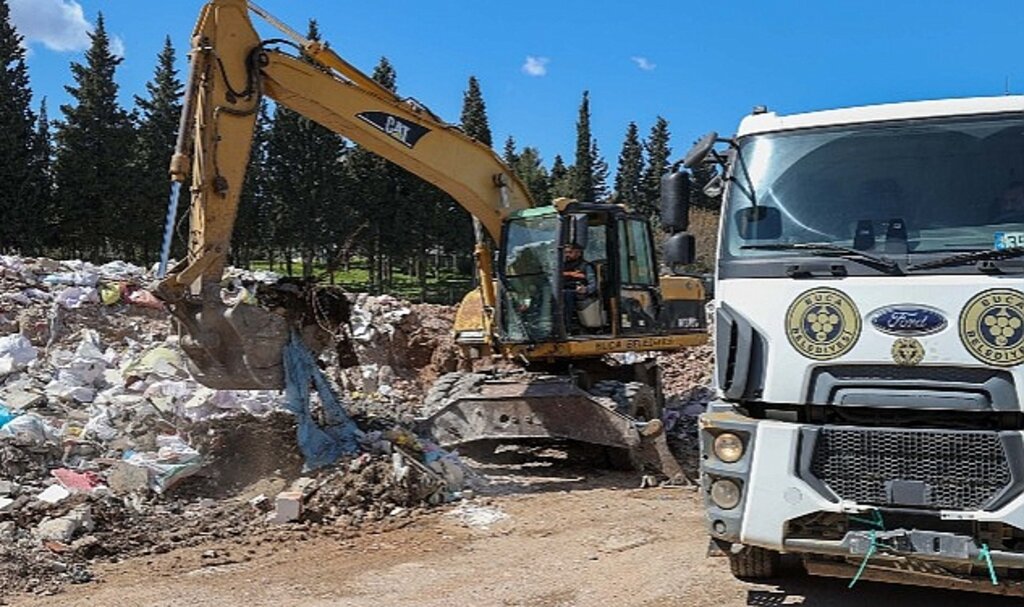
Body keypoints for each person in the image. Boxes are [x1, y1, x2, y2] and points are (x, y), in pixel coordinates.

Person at [562, 243, 597, 333]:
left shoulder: (585, 266)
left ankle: (566, 327)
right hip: (561, 289)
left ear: (578, 253)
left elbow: (593, 284)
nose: (567, 255)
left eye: (570, 252)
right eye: (565, 252)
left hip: (577, 292)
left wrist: (585, 289)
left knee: (567, 295)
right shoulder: (561, 266)